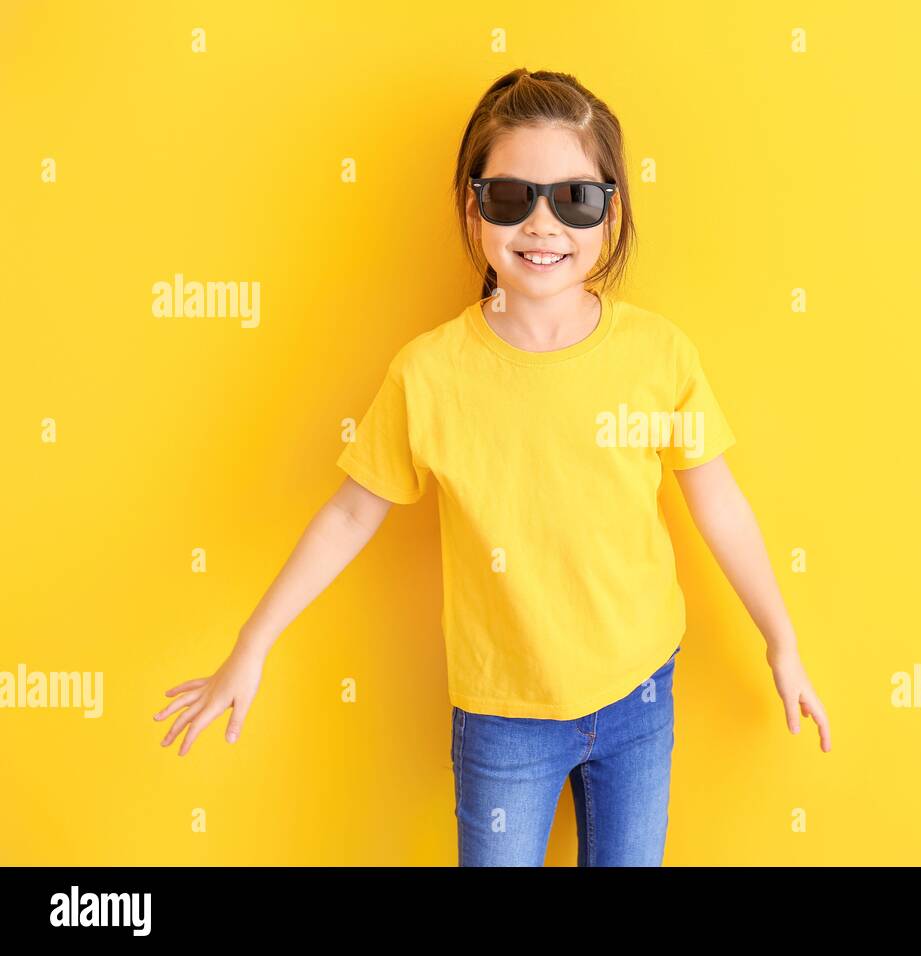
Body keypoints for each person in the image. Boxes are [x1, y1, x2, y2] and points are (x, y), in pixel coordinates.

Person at [154, 67, 831, 866]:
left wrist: (780, 640)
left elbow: (719, 504)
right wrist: (252, 643)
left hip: (640, 692)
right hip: (503, 715)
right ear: (474, 206)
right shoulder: (430, 373)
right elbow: (349, 513)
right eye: (511, 197)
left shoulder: (659, 357)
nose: (542, 223)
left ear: (612, 210)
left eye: (574, 198)